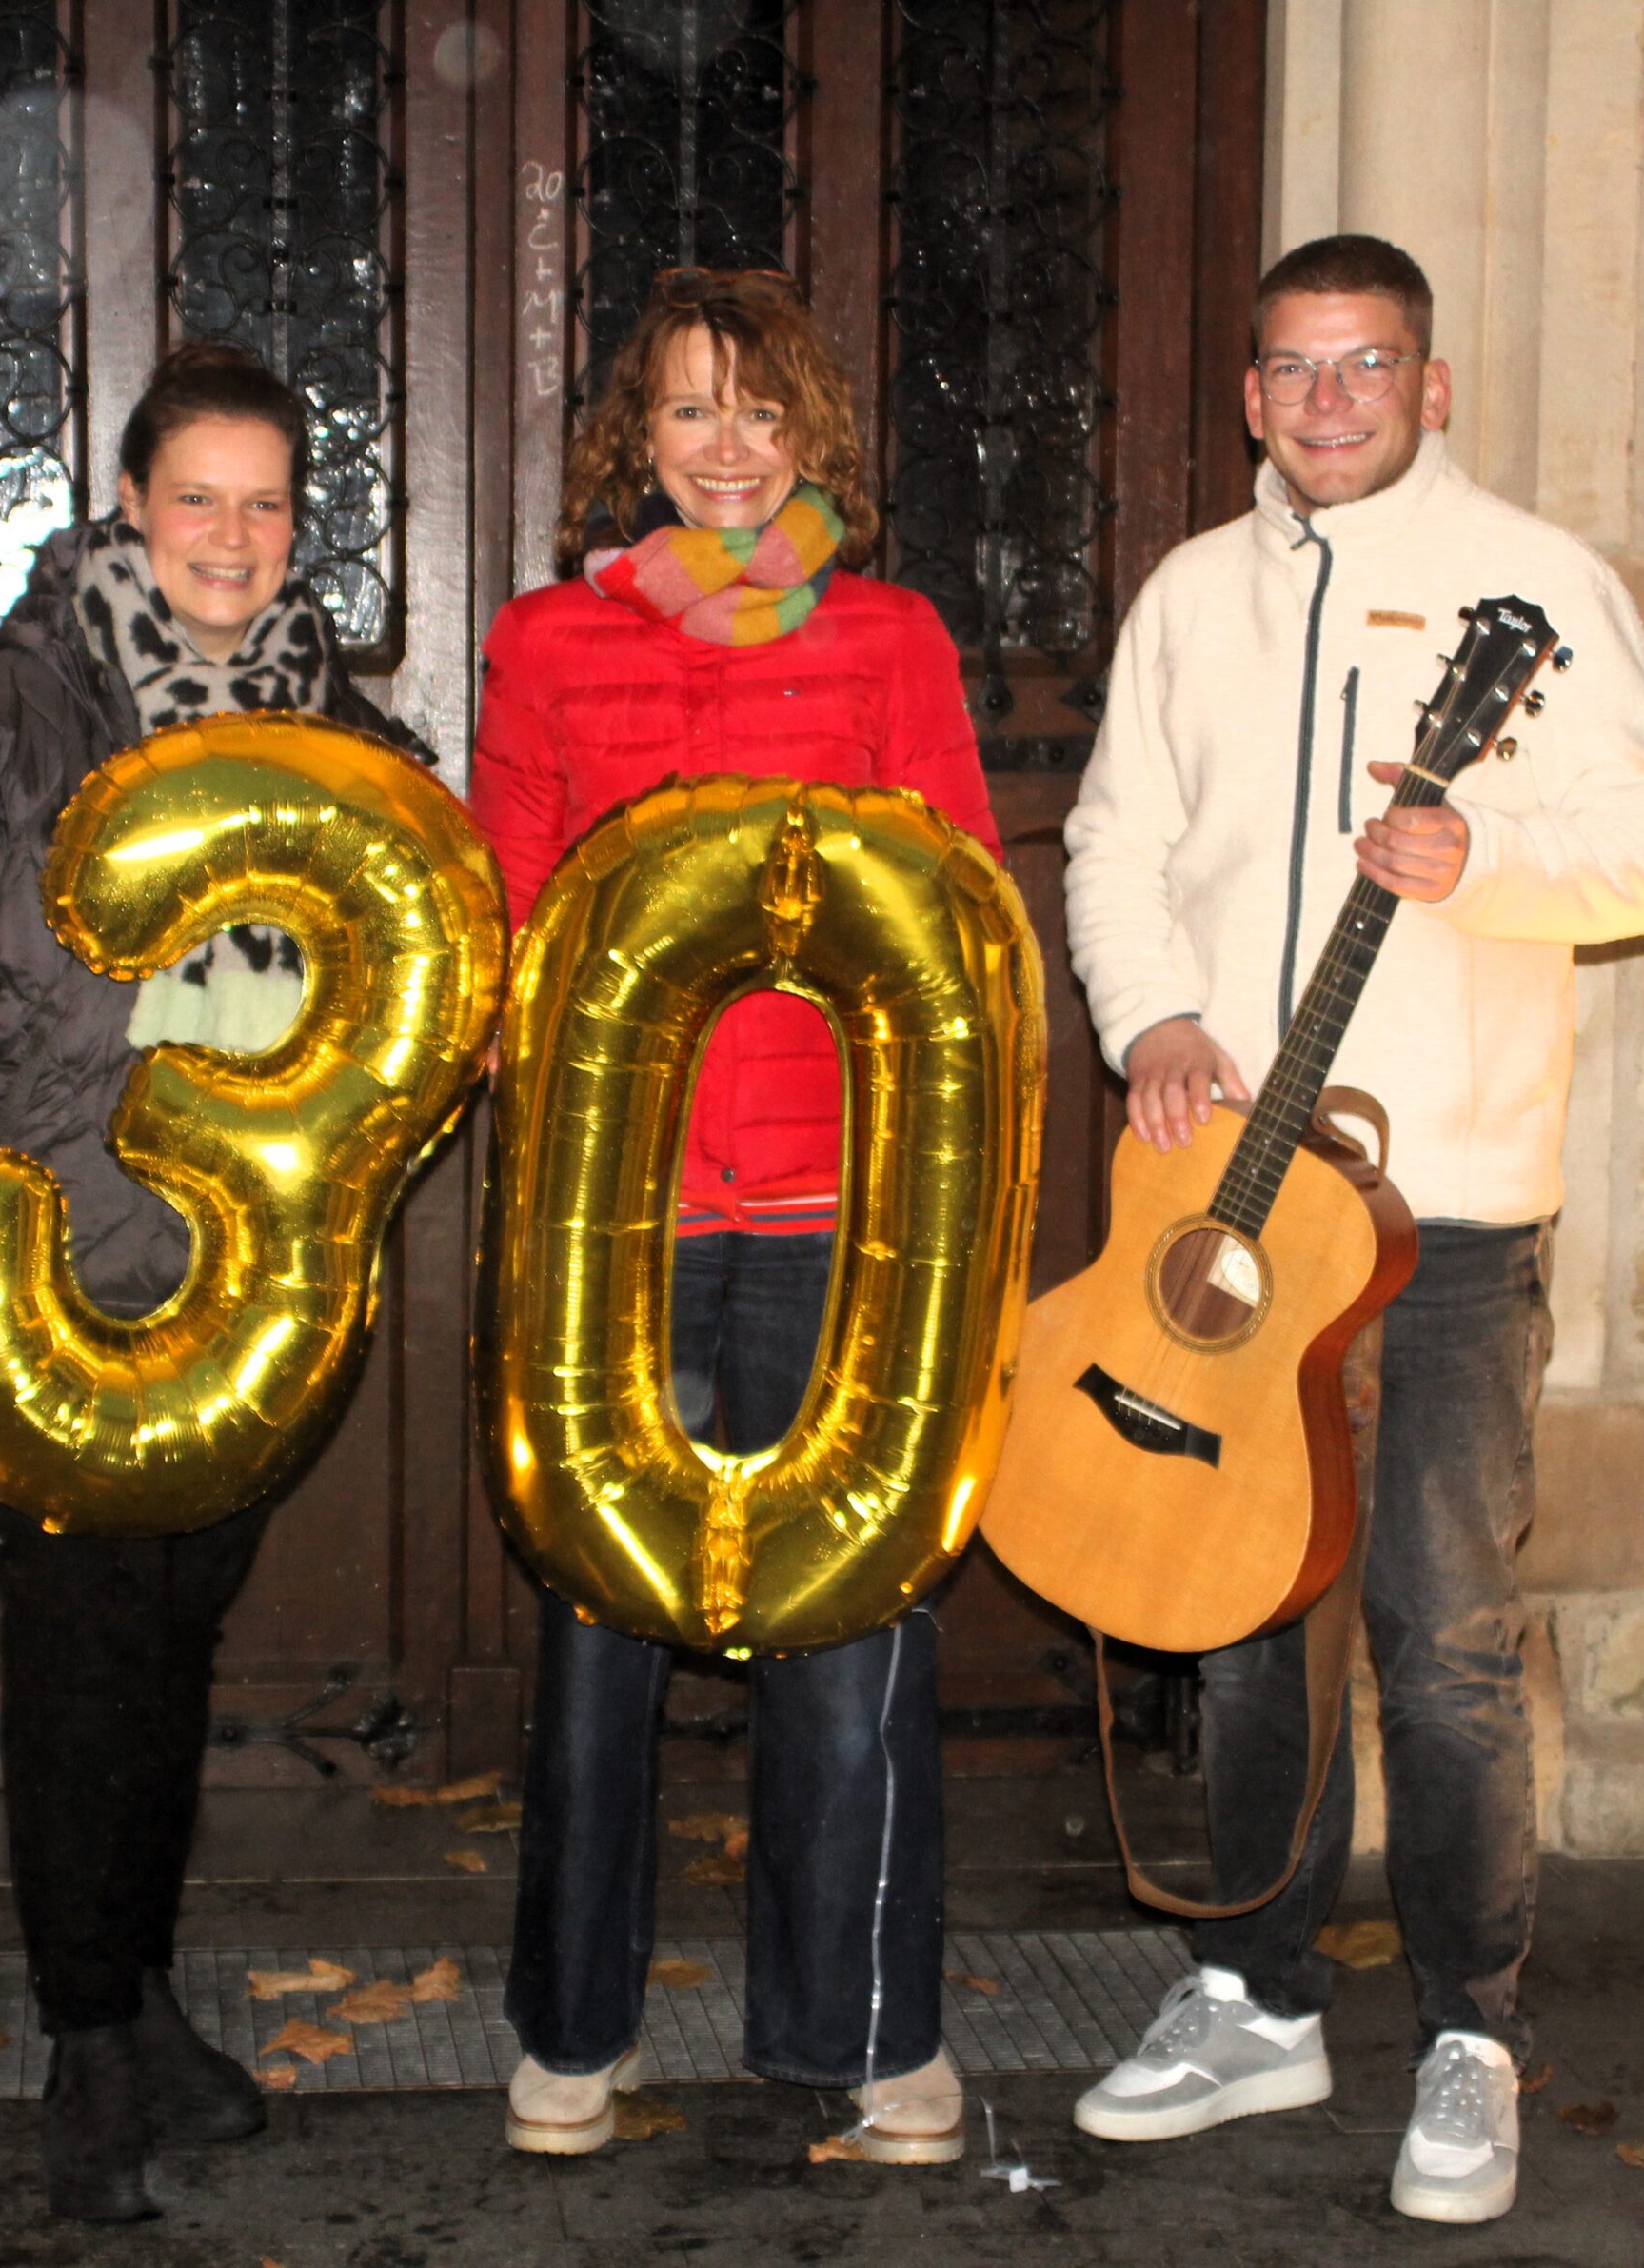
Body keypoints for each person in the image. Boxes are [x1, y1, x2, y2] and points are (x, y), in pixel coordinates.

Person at [1060, 235, 1644, 2224]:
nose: (1327, 399)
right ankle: (1253, 1998)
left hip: (1443, 1224)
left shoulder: (1540, 586)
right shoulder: (1187, 596)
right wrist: (1152, 1016)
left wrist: (1478, 855)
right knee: (1254, 1629)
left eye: (1367, 367)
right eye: (1292, 369)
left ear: (1428, 388)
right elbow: (1114, 839)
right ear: (1247, 395)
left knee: (1435, 1642)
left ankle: (1466, 2035)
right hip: (1234, 1222)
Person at [0, 345, 427, 2224]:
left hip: (249, 1282)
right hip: (44, 1262)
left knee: (168, 1645)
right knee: (80, 1653)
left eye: (266, 504)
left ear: (298, 528)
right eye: (196, 497)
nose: (230, 537)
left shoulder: (342, 743)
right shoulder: (16, 713)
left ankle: (137, 2006)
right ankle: (83, 2047)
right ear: (130, 507)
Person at [469, 267, 1003, 2163]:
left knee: (847, 1624)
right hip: (617, 1223)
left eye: (753, 410)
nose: (720, 447)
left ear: (810, 435)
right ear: (637, 437)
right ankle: (570, 2035)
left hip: (833, 1211)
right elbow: (517, 908)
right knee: (599, 1637)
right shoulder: (544, 643)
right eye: (686, 411)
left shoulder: (887, 640)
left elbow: (949, 910)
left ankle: (867, 2039)